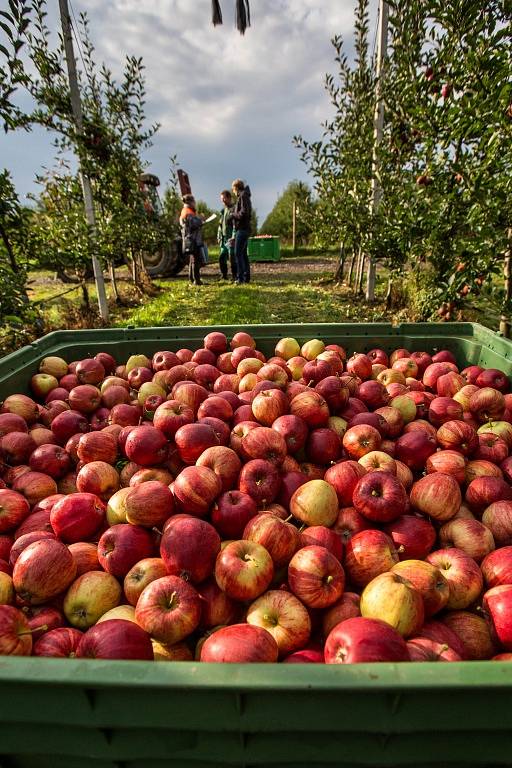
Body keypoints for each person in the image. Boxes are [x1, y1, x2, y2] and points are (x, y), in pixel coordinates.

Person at [179, 194, 204, 286]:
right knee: (195, 260)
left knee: (192, 259)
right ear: (191, 202)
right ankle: (196, 280)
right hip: (193, 239)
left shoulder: (184, 211)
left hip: (188, 239)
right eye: (194, 202)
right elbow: (194, 224)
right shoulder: (188, 212)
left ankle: (191, 278)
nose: (195, 203)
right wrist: (200, 219)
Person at [231, 179, 252, 284]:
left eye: (233, 189)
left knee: (237, 253)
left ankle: (240, 278)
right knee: (243, 254)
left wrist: (233, 215)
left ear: (236, 188)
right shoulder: (245, 196)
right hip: (245, 228)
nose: (233, 192)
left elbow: (243, 213)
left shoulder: (243, 196)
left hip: (242, 228)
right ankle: (246, 277)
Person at [217, 189, 237, 281]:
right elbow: (220, 225)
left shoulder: (234, 209)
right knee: (222, 257)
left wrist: (234, 236)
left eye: (224, 198)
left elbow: (235, 225)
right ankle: (224, 275)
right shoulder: (223, 210)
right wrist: (219, 236)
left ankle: (235, 276)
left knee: (232, 257)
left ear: (229, 198)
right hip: (224, 238)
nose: (222, 201)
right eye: (221, 199)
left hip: (230, 238)